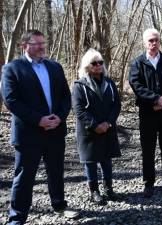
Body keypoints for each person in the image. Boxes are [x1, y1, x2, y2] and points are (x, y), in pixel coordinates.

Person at [1, 30, 77, 225]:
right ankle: (17, 217)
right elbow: (11, 101)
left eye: (44, 43)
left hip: (55, 130)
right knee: (24, 176)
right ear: (24, 45)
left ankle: (59, 204)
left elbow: (65, 97)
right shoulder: (12, 69)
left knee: (56, 171)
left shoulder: (55, 67)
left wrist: (59, 117)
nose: (42, 47)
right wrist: (39, 120)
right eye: (37, 43)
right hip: (28, 133)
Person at [128, 28, 162, 198]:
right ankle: (148, 184)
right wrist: (155, 99)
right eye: (150, 40)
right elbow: (136, 85)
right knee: (148, 149)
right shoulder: (138, 63)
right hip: (147, 112)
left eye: (156, 40)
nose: (153, 43)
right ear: (144, 42)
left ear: (160, 41)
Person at [72, 49, 121, 204]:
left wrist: (109, 122)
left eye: (100, 62)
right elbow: (78, 109)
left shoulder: (110, 83)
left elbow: (116, 105)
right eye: (94, 63)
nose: (98, 65)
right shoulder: (79, 85)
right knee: (91, 162)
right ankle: (94, 192)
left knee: (106, 160)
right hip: (89, 131)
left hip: (107, 127)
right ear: (87, 65)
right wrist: (94, 125)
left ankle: (109, 189)